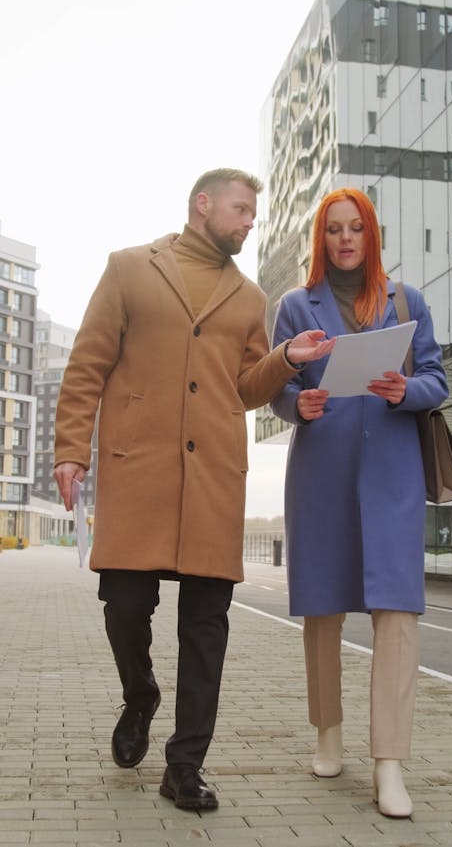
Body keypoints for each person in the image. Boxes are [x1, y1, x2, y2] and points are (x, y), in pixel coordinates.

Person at [53, 168, 334, 812]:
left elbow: (246, 389)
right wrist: (71, 449)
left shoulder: (248, 297)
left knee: (206, 628)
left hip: (212, 479)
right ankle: (140, 693)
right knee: (125, 606)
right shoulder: (128, 268)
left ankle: (185, 766)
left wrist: (286, 357)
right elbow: (87, 363)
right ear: (202, 204)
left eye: (253, 213)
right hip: (138, 474)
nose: (249, 221)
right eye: (241, 209)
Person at [270, 188, 448, 818]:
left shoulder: (407, 300)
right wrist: (298, 404)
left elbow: (437, 379)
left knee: (397, 614)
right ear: (320, 240)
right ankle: (328, 732)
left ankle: (390, 764)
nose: (345, 239)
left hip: (392, 476)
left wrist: (406, 388)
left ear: (371, 236)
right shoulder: (296, 304)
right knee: (322, 611)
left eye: (356, 229)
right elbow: (278, 385)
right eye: (333, 230)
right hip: (323, 472)